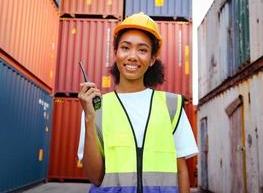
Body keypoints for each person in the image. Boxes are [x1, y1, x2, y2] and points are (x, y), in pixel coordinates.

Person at [78, 12, 198, 193]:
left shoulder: (170, 106)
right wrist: (88, 118)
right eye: (125, 48)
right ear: (116, 53)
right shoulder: (96, 108)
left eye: (142, 50)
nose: (132, 56)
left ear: (151, 59)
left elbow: (181, 171)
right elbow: (95, 176)